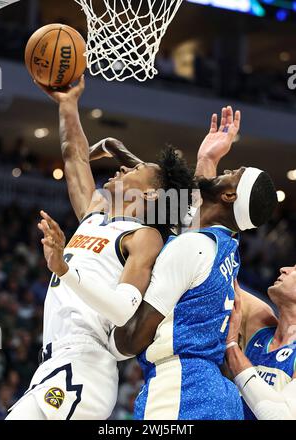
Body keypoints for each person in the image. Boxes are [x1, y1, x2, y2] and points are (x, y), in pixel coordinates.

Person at [39, 109, 278, 419]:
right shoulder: (222, 247)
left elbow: (130, 338)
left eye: (231, 173)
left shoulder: (188, 246)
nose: (227, 170)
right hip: (211, 391)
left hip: (180, 388)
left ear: (230, 194)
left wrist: (107, 341)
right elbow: (180, 201)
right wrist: (206, 160)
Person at [6, 76, 195, 420]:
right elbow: (74, 157)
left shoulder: (143, 237)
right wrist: (68, 104)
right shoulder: (94, 213)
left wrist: (65, 270)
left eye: (135, 169)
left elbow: (124, 310)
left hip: (85, 364)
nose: (123, 167)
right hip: (55, 362)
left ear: (151, 195)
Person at [226, 268, 296, 420]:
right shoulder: (260, 321)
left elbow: (280, 417)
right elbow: (222, 282)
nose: (284, 269)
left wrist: (231, 346)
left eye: (295, 269)